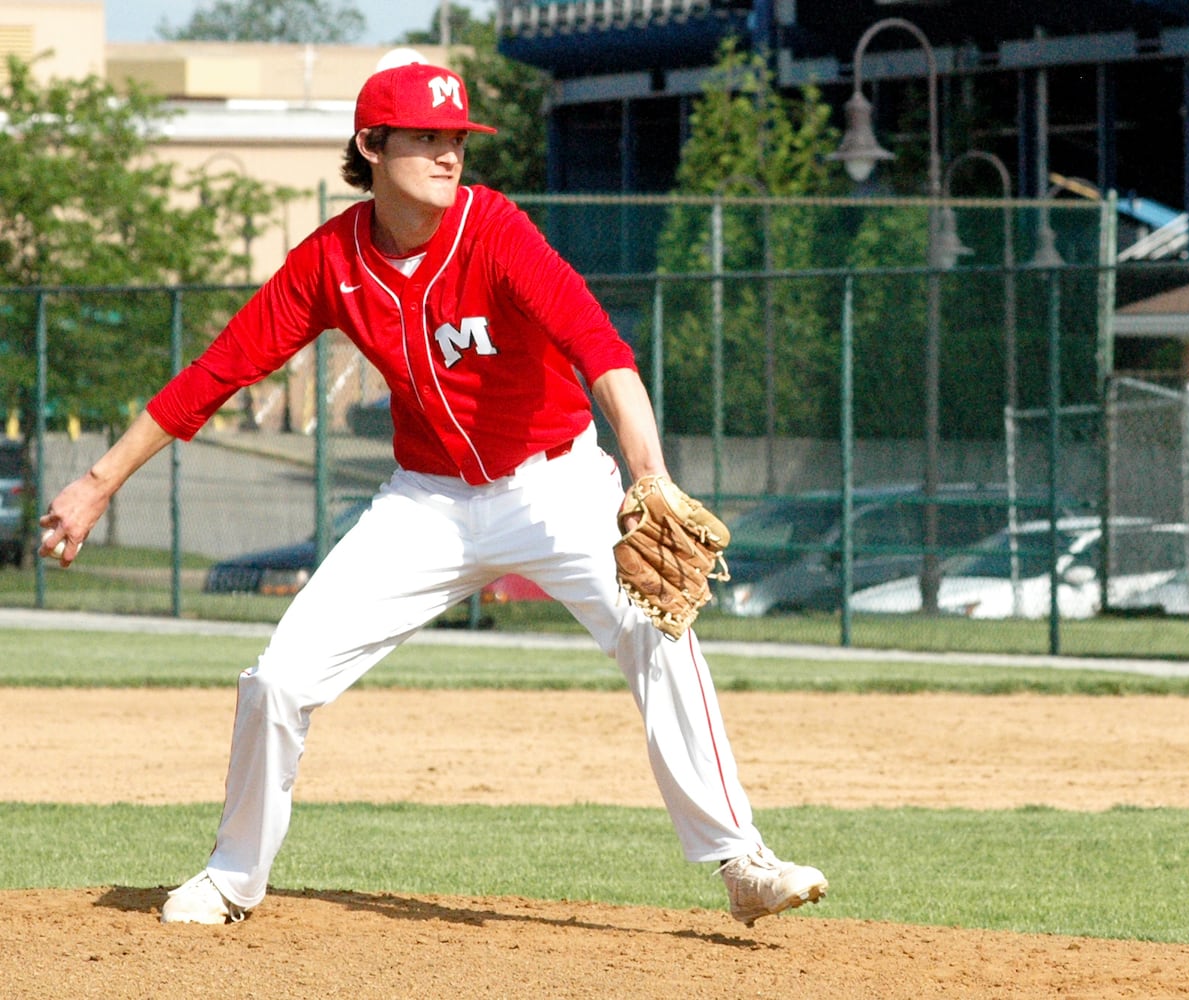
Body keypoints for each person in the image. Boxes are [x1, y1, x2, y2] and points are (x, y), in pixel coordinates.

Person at [36, 60, 827, 927]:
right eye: (426, 138)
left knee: (659, 633)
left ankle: (740, 861)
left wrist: (649, 475)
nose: (448, 155)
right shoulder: (330, 262)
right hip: (428, 505)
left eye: (456, 139)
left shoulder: (496, 230)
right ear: (371, 147)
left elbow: (599, 348)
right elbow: (218, 373)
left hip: (555, 485)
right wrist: (97, 483)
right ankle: (232, 875)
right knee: (278, 679)